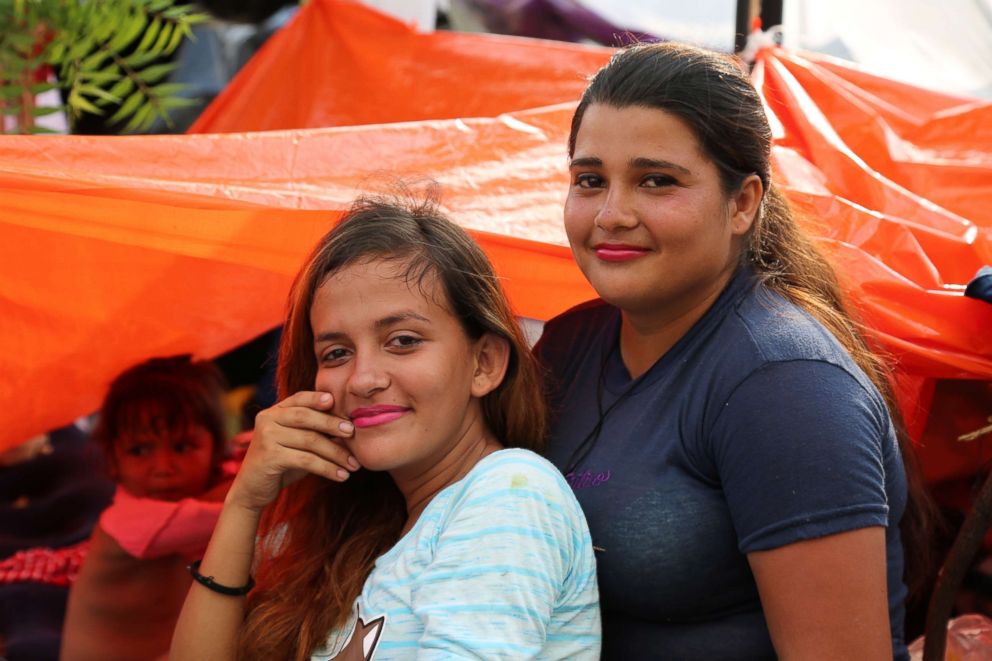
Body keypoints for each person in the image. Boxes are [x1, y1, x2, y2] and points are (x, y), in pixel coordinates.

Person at [533, 41, 932, 660]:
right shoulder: (565, 346)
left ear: (743, 202)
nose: (611, 214)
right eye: (590, 180)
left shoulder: (785, 388)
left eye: (655, 181)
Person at [171, 196, 600, 660]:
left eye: (403, 341)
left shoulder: (507, 494)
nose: (363, 379)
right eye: (336, 353)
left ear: (484, 363)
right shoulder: (354, 533)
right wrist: (244, 502)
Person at [61, 356, 234, 661]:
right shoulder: (122, 523)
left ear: (217, 448)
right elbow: (240, 507)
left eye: (182, 447)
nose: (163, 468)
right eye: (139, 450)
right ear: (113, 460)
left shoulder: (210, 487)